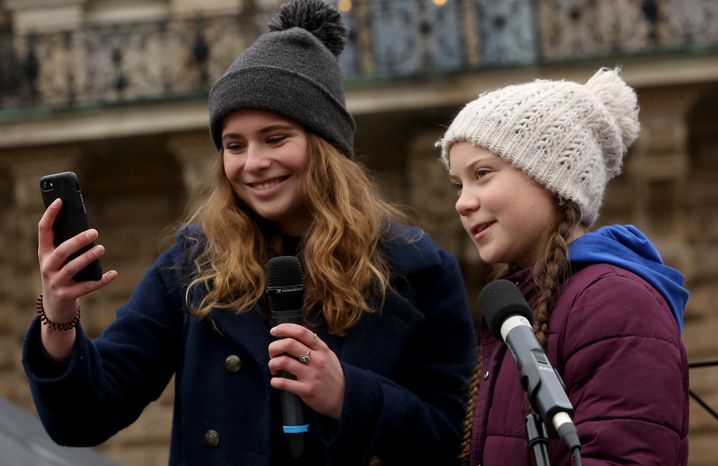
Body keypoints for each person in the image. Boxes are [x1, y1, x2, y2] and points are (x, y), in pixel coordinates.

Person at [22, 1, 477, 465]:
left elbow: (455, 437)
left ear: (325, 147)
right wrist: (59, 317)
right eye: (234, 145)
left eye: (275, 138)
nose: (253, 163)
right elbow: (86, 418)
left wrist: (348, 396)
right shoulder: (194, 263)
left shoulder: (418, 268)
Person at [437, 67, 689, 466]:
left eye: (482, 174)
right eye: (458, 185)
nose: (462, 202)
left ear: (552, 178)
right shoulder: (520, 307)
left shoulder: (615, 302)